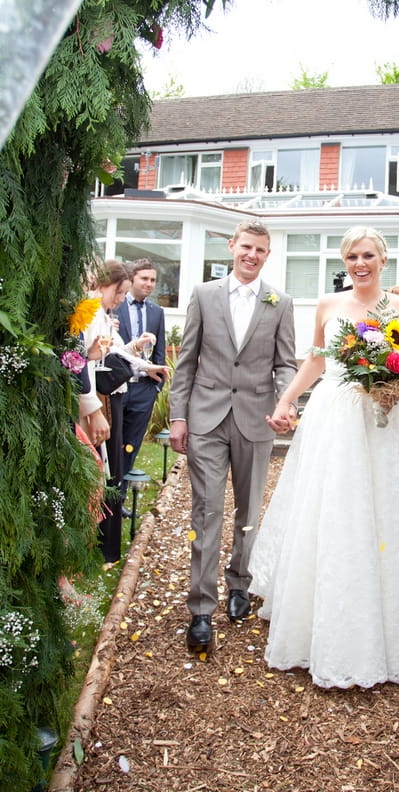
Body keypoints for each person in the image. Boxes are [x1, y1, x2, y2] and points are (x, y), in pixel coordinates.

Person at [248, 226, 399, 689]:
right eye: (352, 256)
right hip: (334, 421)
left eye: (368, 255)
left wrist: (396, 387)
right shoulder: (329, 306)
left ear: (384, 260)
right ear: (344, 262)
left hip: (385, 425)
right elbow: (315, 359)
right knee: (333, 514)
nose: (360, 263)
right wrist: (286, 400)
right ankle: (321, 625)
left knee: (383, 517)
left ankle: (386, 630)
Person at [168, 220, 297, 654]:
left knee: (248, 510)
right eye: (246, 247)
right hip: (205, 418)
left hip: (255, 419)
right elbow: (186, 361)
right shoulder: (204, 295)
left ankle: (240, 582)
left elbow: (286, 363)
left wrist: (285, 401)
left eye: (260, 249)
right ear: (232, 247)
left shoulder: (280, 303)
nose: (251, 255)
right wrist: (178, 417)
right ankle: (201, 609)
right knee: (206, 512)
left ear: (267, 254)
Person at [85, 260, 169, 565]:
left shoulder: (106, 314)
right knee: (106, 470)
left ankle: (105, 545)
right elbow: (86, 358)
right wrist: (93, 408)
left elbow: (119, 350)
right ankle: (99, 543)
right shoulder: (93, 312)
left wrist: (149, 366)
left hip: (123, 396)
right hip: (103, 399)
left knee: (116, 468)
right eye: (118, 293)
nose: (120, 300)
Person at [116, 258, 166, 512]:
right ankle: (104, 497)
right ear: (132, 278)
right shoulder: (115, 306)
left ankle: (120, 499)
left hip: (144, 390)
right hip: (117, 387)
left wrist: (156, 389)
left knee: (131, 445)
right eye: (144, 278)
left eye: (153, 280)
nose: (149, 284)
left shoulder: (157, 312)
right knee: (113, 443)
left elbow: (160, 352)